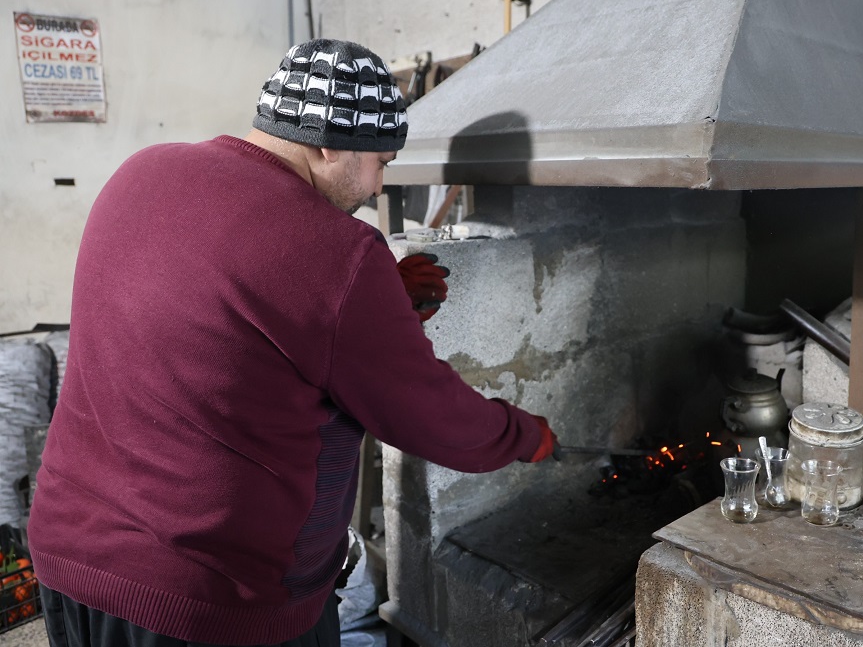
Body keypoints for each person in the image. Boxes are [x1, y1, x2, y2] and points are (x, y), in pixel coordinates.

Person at [27, 39, 557, 647]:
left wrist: (375, 302)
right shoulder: (337, 251)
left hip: (71, 559)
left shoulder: (142, 171)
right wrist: (524, 434)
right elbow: (428, 416)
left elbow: (231, 325)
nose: (379, 188)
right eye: (381, 163)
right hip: (205, 603)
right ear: (328, 141)